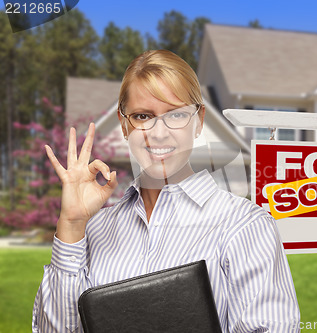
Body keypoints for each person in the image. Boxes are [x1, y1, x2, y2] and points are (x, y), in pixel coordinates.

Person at [32, 50, 300, 332]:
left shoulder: (245, 225)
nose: (158, 133)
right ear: (124, 125)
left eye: (177, 115)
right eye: (143, 116)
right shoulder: (95, 229)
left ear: (199, 121)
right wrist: (72, 226)